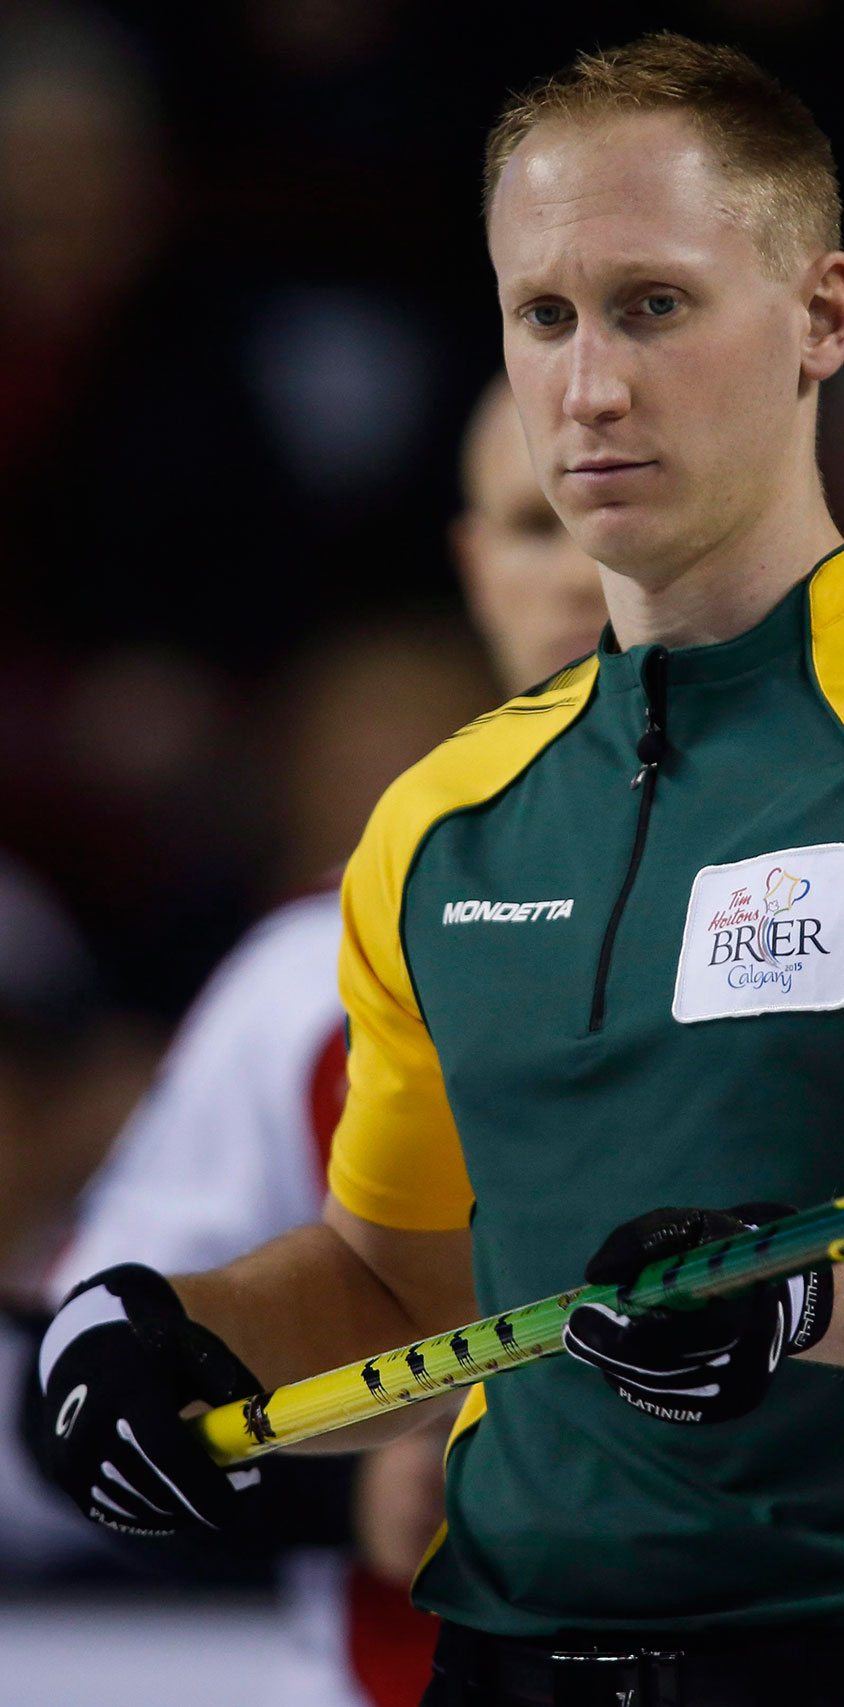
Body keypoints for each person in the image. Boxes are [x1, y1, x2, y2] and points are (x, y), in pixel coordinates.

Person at [33, 35, 844, 1707]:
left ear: (823, 317)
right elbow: (400, 1279)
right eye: (544, 316)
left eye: (654, 306)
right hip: (497, 1671)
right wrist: (167, 1332)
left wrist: (791, 1296)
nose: (589, 387)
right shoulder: (442, 816)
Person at [24, 377, 604, 1705]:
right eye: (535, 523)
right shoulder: (310, 983)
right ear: (474, 566)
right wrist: (345, 1487)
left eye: (624, 518)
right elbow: (68, 1400)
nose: (582, 576)